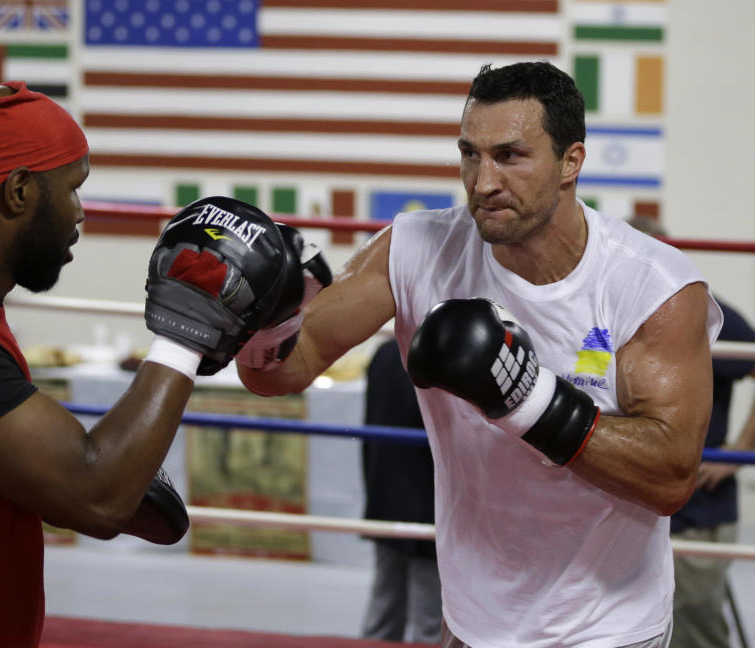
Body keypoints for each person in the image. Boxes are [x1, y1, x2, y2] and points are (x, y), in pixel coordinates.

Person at [0, 81, 321, 647]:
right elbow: (99, 498)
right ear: (19, 192)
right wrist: (186, 333)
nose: (79, 213)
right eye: (72, 189)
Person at [234, 61, 723, 647]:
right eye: (471, 154)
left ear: (572, 162)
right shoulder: (418, 249)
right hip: (472, 620)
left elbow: (671, 478)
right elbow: (285, 368)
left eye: (511, 156)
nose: (483, 181)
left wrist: (527, 399)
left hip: (608, 627)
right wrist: (263, 320)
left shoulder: (651, 287)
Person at [628, 215, 755, 648]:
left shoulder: (701, 309)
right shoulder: (606, 313)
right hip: (627, 507)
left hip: (697, 510)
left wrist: (739, 450)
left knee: (694, 629)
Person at [360, 338, 441, 644]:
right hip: (428, 503)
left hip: (385, 496)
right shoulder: (442, 354)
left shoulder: (385, 353)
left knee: (384, 610)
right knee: (430, 621)